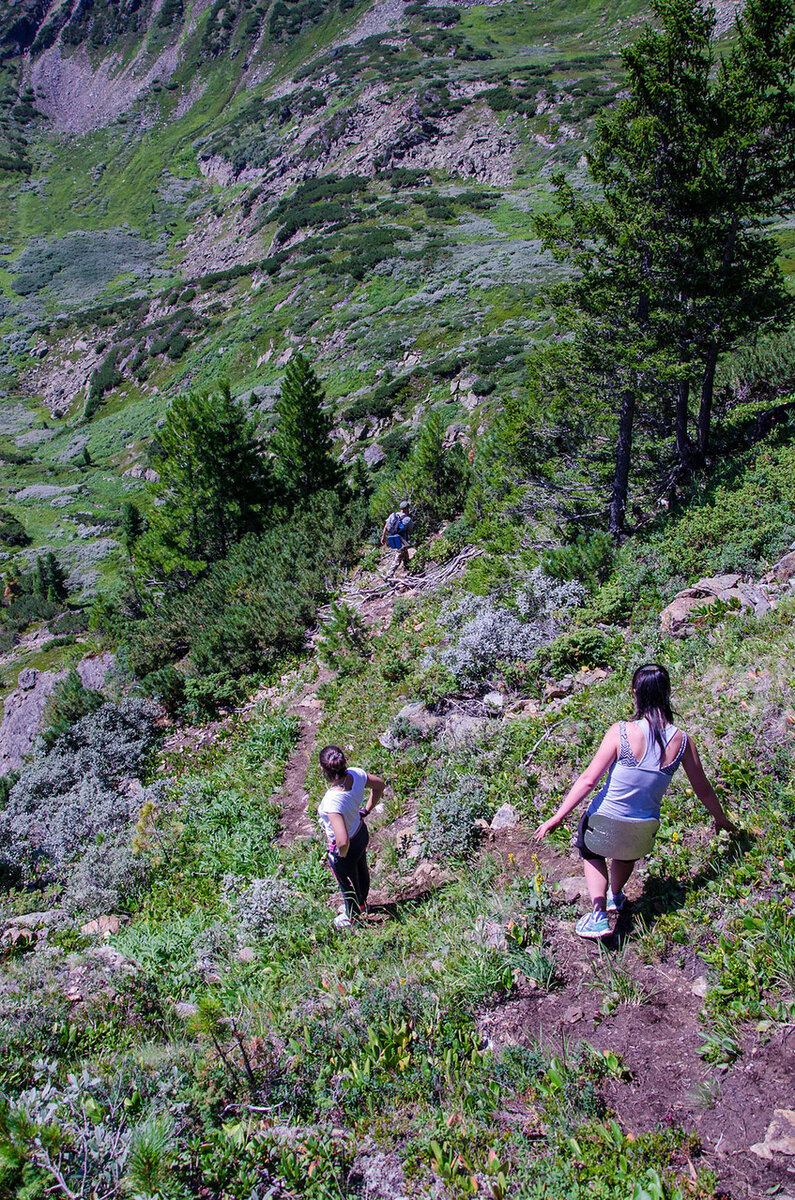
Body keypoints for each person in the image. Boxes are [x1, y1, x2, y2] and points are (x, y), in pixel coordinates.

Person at [532, 664, 736, 939]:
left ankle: (599, 915)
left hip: (605, 819)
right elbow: (704, 790)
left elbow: (588, 780)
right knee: (625, 848)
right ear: (667, 692)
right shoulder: (684, 741)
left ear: (636, 693)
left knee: (591, 850)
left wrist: (558, 817)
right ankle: (615, 895)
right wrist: (720, 819)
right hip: (644, 828)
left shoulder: (621, 732)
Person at [317, 744, 385, 929]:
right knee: (361, 870)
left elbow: (342, 839)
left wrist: (341, 855)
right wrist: (366, 810)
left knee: (346, 882)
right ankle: (362, 904)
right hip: (361, 832)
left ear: (322, 769)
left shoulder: (331, 801)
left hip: (347, 844)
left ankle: (351, 916)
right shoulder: (356, 774)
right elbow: (379, 786)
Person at [381, 500, 414, 575]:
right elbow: (410, 531)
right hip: (402, 540)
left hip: (393, 538)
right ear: (406, 509)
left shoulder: (393, 515)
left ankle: (407, 567)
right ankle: (389, 574)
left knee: (404, 552)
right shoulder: (408, 519)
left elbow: (386, 526)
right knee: (398, 557)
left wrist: (383, 537)